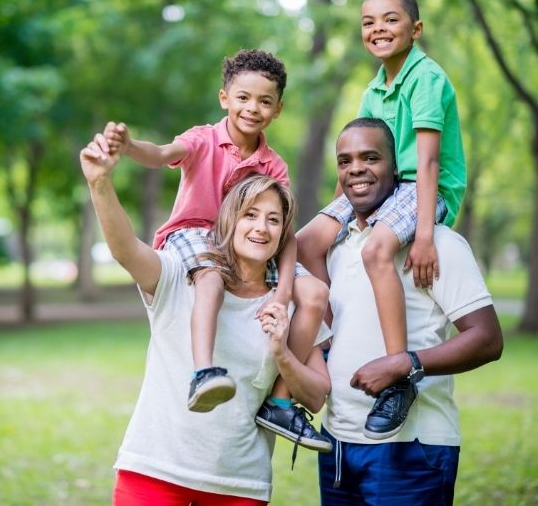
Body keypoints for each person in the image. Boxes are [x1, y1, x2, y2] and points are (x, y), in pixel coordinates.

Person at [79, 134, 332, 504]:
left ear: (283, 235)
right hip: (155, 471)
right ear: (229, 220)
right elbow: (124, 249)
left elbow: (316, 396)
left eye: (273, 220)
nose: (261, 227)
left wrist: (282, 354)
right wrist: (99, 183)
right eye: (250, 215)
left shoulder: (291, 305)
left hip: (239, 485)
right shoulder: (180, 276)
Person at [99, 48, 330, 449]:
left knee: (316, 293)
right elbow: (159, 155)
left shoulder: (273, 165)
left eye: (264, 101)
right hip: (195, 233)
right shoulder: (203, 140)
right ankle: (204, 372)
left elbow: (286, 232)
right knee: (210, 279)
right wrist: (128, 146)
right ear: (224, 97)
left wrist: (284, 291)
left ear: (278, 109)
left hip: (247, 241)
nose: (252, 108)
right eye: (243, 97)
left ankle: (279, 401)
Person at [297, 0, 467, 439]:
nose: (378, 29)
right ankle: (334, 338)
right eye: (369, 22)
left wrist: (426, 234)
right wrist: (338, 213)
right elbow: (357, 158)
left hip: (423, 186)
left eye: (390, 20)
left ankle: (399, 378)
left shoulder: (425, 78)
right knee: (306, 242)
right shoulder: (375, 87)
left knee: (376, 251)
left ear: (415, 29)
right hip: (383, 186)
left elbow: (428, 162)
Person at [311, 117, 503, 505]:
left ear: (396, 168)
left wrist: (405, 363)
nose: (356, 170)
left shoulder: (436, 245)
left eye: (370, 157)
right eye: (345, 161)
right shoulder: (337, 246)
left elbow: (487, 339)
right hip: (337, 444)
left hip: (412, 447)